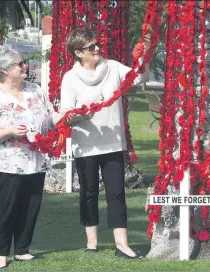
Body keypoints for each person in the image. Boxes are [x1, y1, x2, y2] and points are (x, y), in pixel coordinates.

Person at [60, 28, 151, 259]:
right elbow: (65, 112)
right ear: (79, 53)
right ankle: (91, 242)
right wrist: (79, 115)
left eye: (97, 44)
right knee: (88, 193)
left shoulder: (114, 67)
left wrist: (144, 54)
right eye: (92, 47)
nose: (98, 49)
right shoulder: (70, 78)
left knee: (116, 193)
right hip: (86, 144)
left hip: (112, 143)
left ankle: (122, 244)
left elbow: (139, 76)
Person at [0, 45, 62, 270]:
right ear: (4, 70)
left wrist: (68, 116)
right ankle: (1, 255)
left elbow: (51, 114)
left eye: (23, 62)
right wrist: (9, 131)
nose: (25, 66)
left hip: (34, 161)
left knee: (30, 207)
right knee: (6, 211)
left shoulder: (35, 90)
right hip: (6, 165)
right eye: (19, 63)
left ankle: (23, 250)